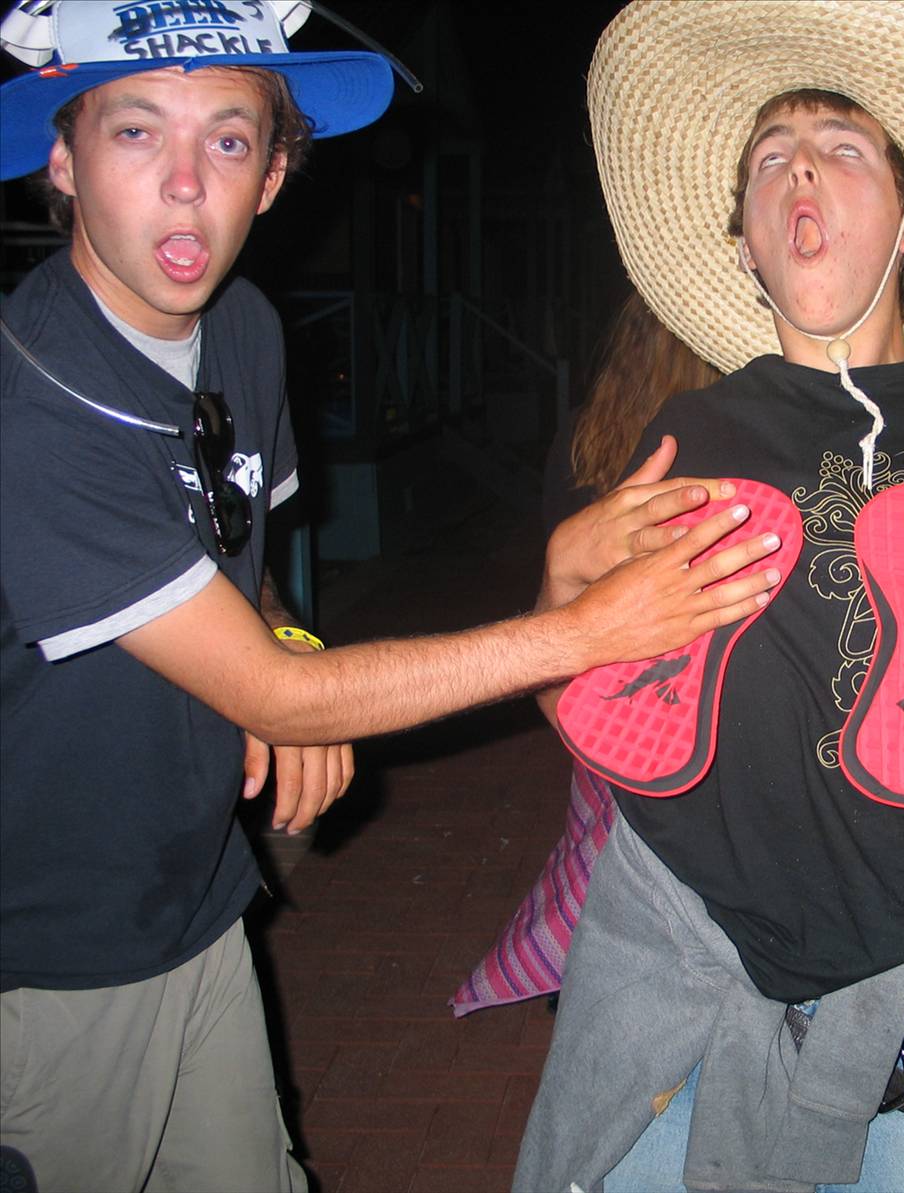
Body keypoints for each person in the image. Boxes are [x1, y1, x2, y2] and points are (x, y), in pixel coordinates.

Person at [0, 4, 781, 1190]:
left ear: (271, 177)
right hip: (51, 949)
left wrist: (287, 633)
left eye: (227, 139)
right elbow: (275, 692)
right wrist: (578, 630)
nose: (184, 182)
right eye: (135, 132)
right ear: (63, 161)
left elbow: (239, 560)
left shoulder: (242, 327)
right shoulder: (33, 410)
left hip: (195, 897)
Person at [513, 3, 904, 1191]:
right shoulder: (684, 436)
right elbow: (585, 716)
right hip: (687, 979)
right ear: (746, 243)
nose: (799, 169)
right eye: (769, 158)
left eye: (842, 148)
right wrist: (560, 590)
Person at [452, 292, 722, 1014]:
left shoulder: (587, 434)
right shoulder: (723, 449)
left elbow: (559, 561)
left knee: (603, 845)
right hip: (678, 684)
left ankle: (594, 970)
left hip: (595, 681)